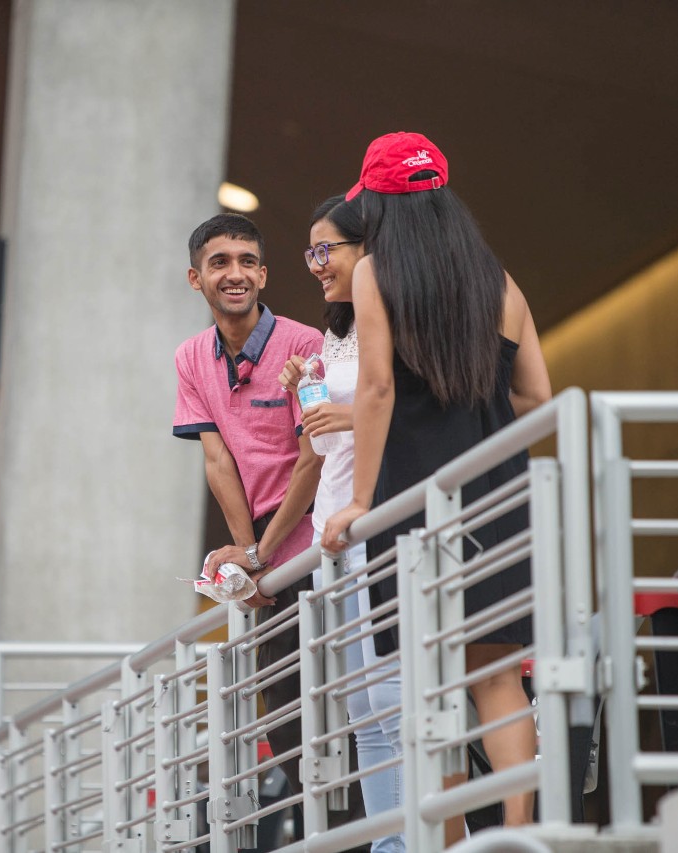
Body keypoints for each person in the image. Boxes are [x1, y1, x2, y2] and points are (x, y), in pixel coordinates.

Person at [321, 132, 553, 840]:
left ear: (379, 201)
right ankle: (518, 830)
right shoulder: (497, 278)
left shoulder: (377, 273)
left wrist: (361, 500)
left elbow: (378, 386)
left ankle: (448, 839)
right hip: (500, 498)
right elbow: (539, 395)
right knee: (498, 676)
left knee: (435, 684)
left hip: (416, 504)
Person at [173, 212, 365, 838]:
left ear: (263, 273)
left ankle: (365, 834)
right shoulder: (190, 358)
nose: (236, 274)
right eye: (220, 263)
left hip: (319, 540)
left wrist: (261, 552)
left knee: (344, 708)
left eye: (247, 261)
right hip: (268, 552)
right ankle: (327, 838)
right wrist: (247, 552)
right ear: (195, 278)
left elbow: (313, 457)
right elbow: (217, 458)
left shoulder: (306, 343)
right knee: (287, 719)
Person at [279, 195, 405, 853]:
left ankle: (412, 840)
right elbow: (323, 445)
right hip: (332, 527)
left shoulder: (395, 318)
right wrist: (308, 389)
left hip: (374, 521)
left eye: (326, 249)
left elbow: (409, 415)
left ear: (366, 251)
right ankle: (391, 842)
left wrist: (350, 413)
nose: (316, 264)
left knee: (389, 696)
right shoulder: (335, 332)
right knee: (360, 705)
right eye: (311, 252)